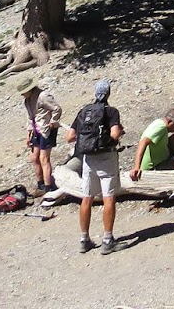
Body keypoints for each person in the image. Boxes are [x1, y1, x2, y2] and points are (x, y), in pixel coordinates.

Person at [66, 78, 124, 254]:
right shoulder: (111, 112)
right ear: (108, 93)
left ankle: (84, 239)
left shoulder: (84, 111)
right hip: (106, 157)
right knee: (108, 197)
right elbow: (114, 134)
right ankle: (107, 240)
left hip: (88, 159)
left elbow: (69, 137)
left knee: (87, 198)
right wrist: (118, 133)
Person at [18, 74, 63, 195]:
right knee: (34, 158)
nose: (22, 95)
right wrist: (28, 133)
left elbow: (57, 108)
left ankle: (48, 188)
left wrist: (53, 122)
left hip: (46, 130)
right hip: (36, 130)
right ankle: (40, 184)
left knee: (44, 159)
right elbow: (29, 117)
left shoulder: (43, 96)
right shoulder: (27, 100)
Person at [129, 108, 174, 183]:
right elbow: (143, 142)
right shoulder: (161, 127)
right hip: (154, 166)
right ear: (169, 122)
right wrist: (137, 167)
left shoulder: (159, 123)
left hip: (161, 159)